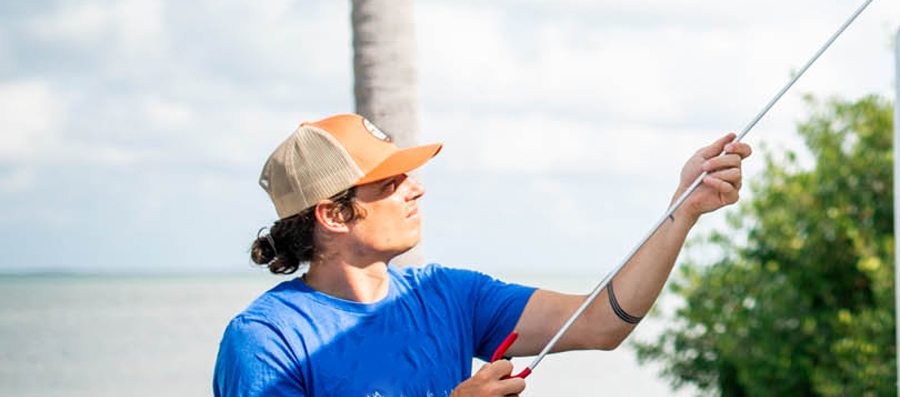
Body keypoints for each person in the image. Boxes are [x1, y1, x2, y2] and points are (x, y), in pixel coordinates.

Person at [213, 113, 751, 397]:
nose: (415, 189)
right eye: (389, 182)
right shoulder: (264, 340)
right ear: (332, 215)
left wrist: (682, 211)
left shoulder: (447, 294)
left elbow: (599, 324)